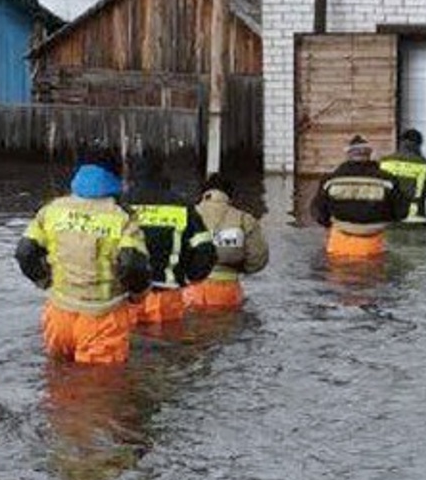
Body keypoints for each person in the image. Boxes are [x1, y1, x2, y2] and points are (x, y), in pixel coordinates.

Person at [15, 153, 152, 364]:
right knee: (98, 391)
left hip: (59, 313)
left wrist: (44, 281)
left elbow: (25, 252)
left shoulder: (52, 210)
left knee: (58, 384)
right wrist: (137, 295)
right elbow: (133, 264)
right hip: (103, 317)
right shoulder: (121, 217)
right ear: (115, 179)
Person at [123, 155, 216, 324]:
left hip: (125, 299)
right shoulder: (182, 206)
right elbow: (205, 251)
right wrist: (189, 278)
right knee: (169, 346)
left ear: (133, 176)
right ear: (163, 174)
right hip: (167, 297)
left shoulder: (120, 205)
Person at [310, 135, 410, 258]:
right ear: (369, 154)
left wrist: (328, 223)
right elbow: (402, 212)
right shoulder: (388, 180)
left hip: (339, 241)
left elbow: (319, 212)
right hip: (374, 242)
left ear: (348, 155)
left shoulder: (330, 180)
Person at [181, 173, 269, 312]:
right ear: (230, 195)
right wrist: (240, 268)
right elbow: (258, 259)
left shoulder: (186, 214)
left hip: (190, 291)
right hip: (228, 292)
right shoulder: (244, 219)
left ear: (203, 193)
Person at [379, 128, 426, 224]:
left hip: (387, 219)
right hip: (415, 219)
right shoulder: (425, 164)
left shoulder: (384, 162)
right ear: (419, 144)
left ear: (401, 142)